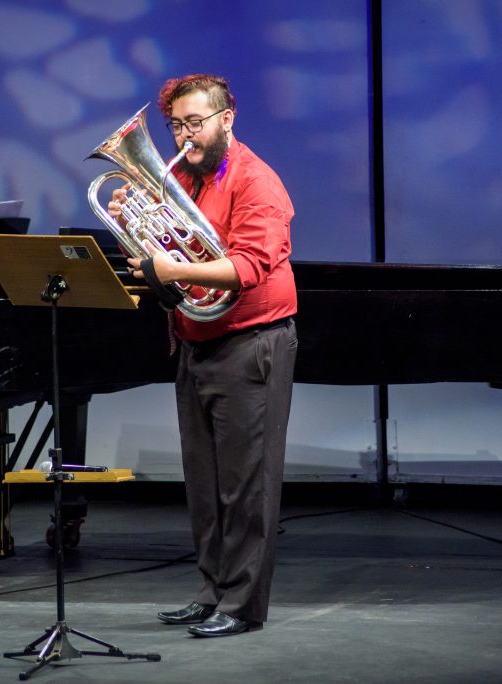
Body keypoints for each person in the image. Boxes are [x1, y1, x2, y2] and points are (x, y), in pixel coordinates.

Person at [111, 74, 298, 637]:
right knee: (205, 483)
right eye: (177, 126)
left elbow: (247, 268)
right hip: (195, 342)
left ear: (227, 118)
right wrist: (130, 228)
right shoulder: (182, 181)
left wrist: (176, 270)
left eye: (197, 122)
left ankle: (241, 606)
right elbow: (163, 255)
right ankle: (211, 590)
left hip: (251, 344)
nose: (186, 136)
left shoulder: (256, 181)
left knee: (247, 485)